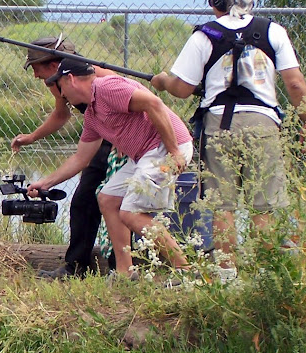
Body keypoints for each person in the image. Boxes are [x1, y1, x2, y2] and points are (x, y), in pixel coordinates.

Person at [150, 0, 306, 283]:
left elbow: (183, 88)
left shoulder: (205, 36)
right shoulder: (273, 32)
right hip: (263, 124)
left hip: (219, 126)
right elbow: (294, 82)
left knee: (222, 204)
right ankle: (267, 276)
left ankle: (227, 276)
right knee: (263, 205)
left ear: (216, 3)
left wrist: (162, 82)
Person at [27, 59, 194, 277]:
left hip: (167, 148)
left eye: (60, 86)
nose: (61, 94)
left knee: (131, 213)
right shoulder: (92, 116)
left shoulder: (106, 88)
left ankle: (185, 269)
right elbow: (80, 158)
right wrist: (44, 183)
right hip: (145, 155)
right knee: (107, 199)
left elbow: (153, 103)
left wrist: (173, 151)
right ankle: (125, 272)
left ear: (71, 79)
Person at [12, 35, 117, 279]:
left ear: (52, 64)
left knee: (115, 201)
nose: (35, 75)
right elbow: (62, 114)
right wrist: (31, 137)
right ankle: (76, 267)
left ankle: (121, 267)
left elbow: (132, 100)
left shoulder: (99, 76)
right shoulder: (56, 80)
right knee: (83, 201)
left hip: (123, 137)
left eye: (36, 68)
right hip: (100, 133)